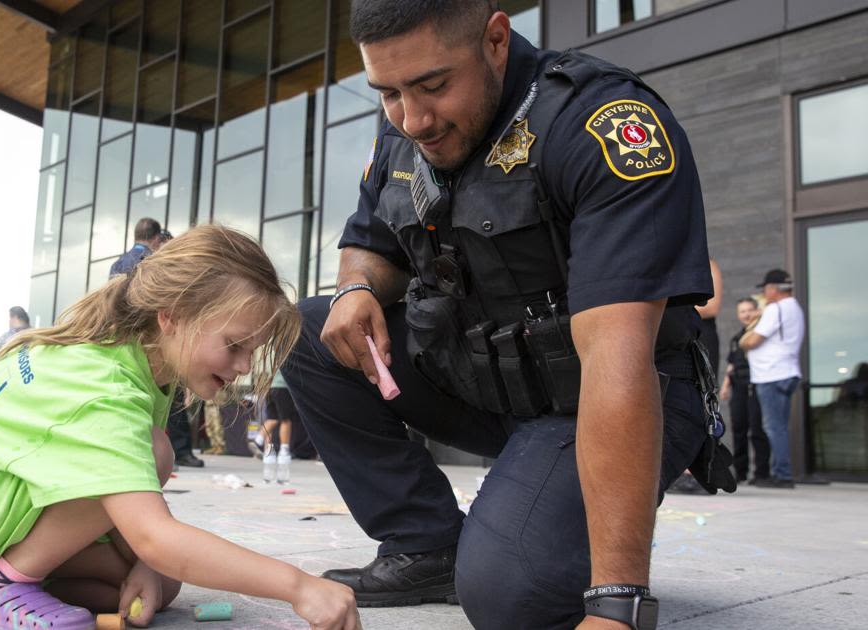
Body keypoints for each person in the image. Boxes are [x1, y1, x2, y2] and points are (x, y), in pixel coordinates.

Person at [281, 2, 730, 628]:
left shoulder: (601, 124)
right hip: (484, 374)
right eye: (388, 93)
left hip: (603, 396)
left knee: (510, 596)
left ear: (495, 40)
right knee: (308, 329)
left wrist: (616, 604)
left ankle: (531, 537)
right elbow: (371, 243)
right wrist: (355, 288)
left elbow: (618, 354)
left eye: (434, 86)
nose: (413, 119)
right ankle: (427, 544)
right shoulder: (407, 130)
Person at [0, 225, 360, 630]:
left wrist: (148, 564)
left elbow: (152, 542)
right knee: (152, 467)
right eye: (234, 345)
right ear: (172, 317)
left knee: (160, 582)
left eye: (250, 352)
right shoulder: (104, 386)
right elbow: (154, 534)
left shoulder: (138, 361)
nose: (241, 366)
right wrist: (300, 587)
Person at [109, 220, 203, 468]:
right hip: (155, 337)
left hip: (126, 341)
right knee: (172, 399)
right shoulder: (152, 262)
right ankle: (179, 451)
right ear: (155, 237)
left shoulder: (118, 262)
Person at [741, 268, 806, 489]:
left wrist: (744, 340)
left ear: (773, 289)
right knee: (779, 426)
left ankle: (782, 475)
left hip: (772, 374)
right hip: (786, 371)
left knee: (773, 427)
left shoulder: (776, 309)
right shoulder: (794, 308)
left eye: (767, 289)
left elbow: (752, 341)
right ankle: (781, 471)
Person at [720, 297, 770, 484]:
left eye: (749, 310)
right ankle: (740, 473)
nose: (746, 314)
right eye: (742, 311)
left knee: (757, 430)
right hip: (738, 387)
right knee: (739, 429)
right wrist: (725, 386)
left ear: (756, 311)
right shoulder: (736, 339)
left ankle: (762, 473)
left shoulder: (760, 333)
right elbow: (731, 365)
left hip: (756, 385)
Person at [261, 370, 297, 483]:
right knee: (286, 421)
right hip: (282, 387)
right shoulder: (289, 352)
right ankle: (283, 451)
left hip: (269, 387)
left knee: (272, 419)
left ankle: (266, 450)